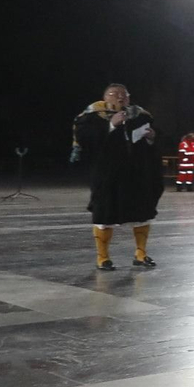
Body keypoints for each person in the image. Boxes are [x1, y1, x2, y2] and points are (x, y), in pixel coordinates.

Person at [72, 83, 161, 270]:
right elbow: (85, 139)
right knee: (104, 214)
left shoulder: (140, 115)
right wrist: (111, 126)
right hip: (107, 175)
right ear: (105, 97)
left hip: (135, 175)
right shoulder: (92, 115)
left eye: (124, 95)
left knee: (142, 214)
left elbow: (149, 146)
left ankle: (141, 253)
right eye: (114, 94)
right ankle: (102, 257)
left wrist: (151, 138)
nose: (120, 98)